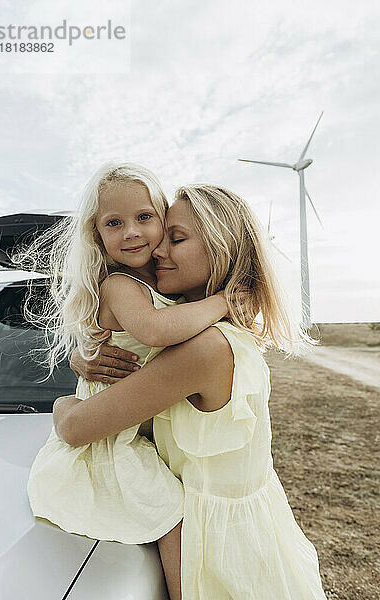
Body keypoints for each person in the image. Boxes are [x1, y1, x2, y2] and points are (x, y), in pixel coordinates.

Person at [54, 184, 327, 600]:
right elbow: (143, 355)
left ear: (220, 248)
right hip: (249, 527)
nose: (157, 251)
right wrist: (85, 356)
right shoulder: (217, 332)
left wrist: (62, 401)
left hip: (215, 547)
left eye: (175, 239)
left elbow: (75, 427)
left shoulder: (203, 349)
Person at [21, 162, 229, 549]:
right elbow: (154, 330)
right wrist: (223, 302)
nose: (131, 232)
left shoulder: (172, 285)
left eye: (144, 217)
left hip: (133, 423)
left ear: (164, 221)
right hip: (109, 433)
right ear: (97, 236)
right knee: (170, 515)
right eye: (113, 223)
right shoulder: (119, 284)